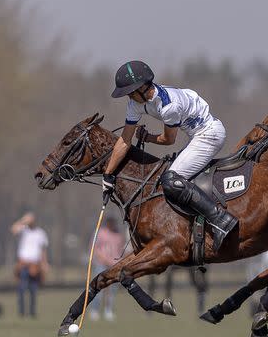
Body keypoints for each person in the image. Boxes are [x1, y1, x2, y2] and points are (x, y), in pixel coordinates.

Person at [103, 60, 237, 251]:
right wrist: (108, 174)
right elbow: (125, 140)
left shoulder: (169, 105)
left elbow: (168, 140)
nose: (129, 97)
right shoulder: (135, 102)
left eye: (131, 92)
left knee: (171, 179)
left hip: (209, 135)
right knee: (166, 176)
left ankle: (221, 220)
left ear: (142, 88)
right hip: (195, 136)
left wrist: (147, 137)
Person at [11, 212, 49, 318]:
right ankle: (21, 313)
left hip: (35, 265)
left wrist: (44, 263)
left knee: (33, 290)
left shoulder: (41, 233)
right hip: (23, 264)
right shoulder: (23, 230)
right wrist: (23, 220)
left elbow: (43, 250)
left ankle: (32, 313)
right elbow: (13, 230)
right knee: (21, 288)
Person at [88, 218, 126, 321]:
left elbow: (121, 250)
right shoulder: (100, 233)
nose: (112, 225)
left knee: (112, 290)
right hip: (101, 264)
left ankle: (108, 310)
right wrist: (103, 259)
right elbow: (94, 248)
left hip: (114, 266)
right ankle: (94, 310)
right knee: (98, 288)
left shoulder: (118, 234)